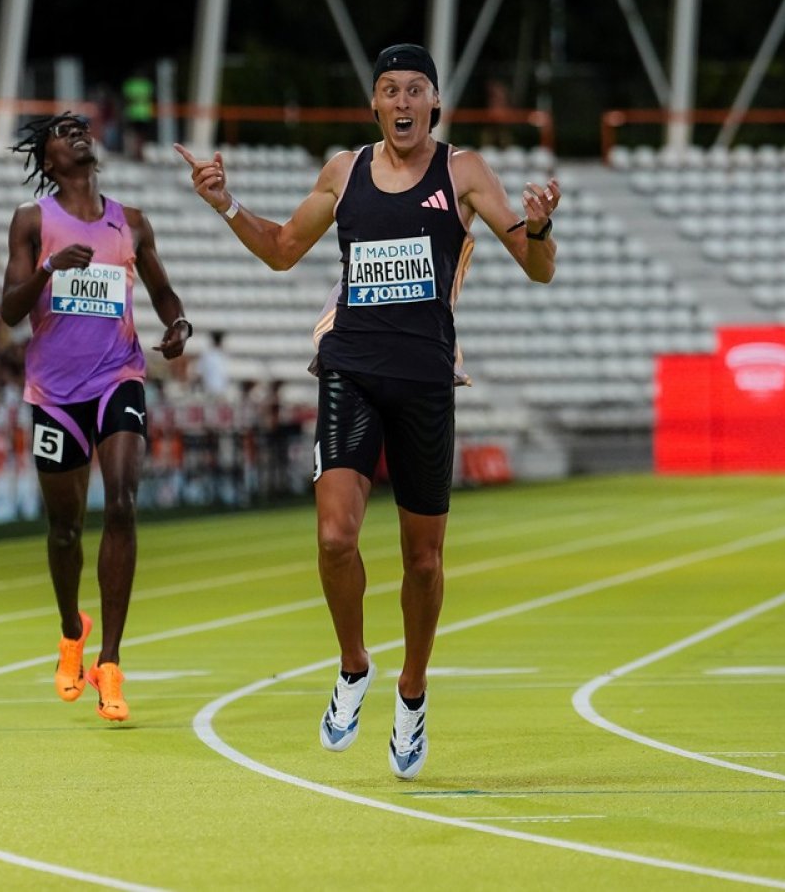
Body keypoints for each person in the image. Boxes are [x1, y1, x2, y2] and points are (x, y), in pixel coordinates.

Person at [175, 43, 560, 778]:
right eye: (390, 90)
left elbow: (537, 268)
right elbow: (284, 250)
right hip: (350, 368)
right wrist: (223, 201)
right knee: (332, 536)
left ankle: (412, 687)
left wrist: (538, 228)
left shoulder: (465, 172)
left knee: (423, 559)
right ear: (375, 105)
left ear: (435, 104)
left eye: (417, 88)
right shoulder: (344, 172)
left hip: (423, 381)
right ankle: (355, 666)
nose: (404, 101)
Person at [1, 111, 192, 722]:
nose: (75, 132)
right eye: (61, 131)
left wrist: (177, 323)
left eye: (80, 126)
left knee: (122, 505)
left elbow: (162, 290)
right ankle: (70, 631)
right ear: (47, 158)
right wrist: (50, 270)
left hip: (119, 377)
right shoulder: (33, 222)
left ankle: (110, 661)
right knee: (65, 529)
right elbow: (9, 310)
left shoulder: (130, 222)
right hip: (56, 394)